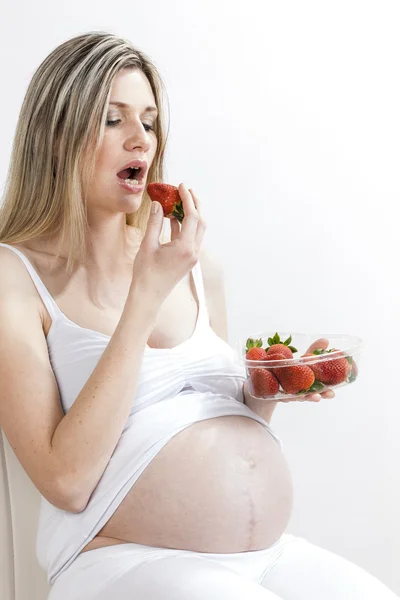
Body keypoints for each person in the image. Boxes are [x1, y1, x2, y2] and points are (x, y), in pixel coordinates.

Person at [0, 31, 397, 600]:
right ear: (56, 135)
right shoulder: (14, 276)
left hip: (264, 555)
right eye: (113, 120)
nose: (140, 139)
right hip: (122, 560)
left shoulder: (194, 266)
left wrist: (267, 390)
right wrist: (144, 298)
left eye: (149, 120)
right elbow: (65, 481)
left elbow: (215, 418)